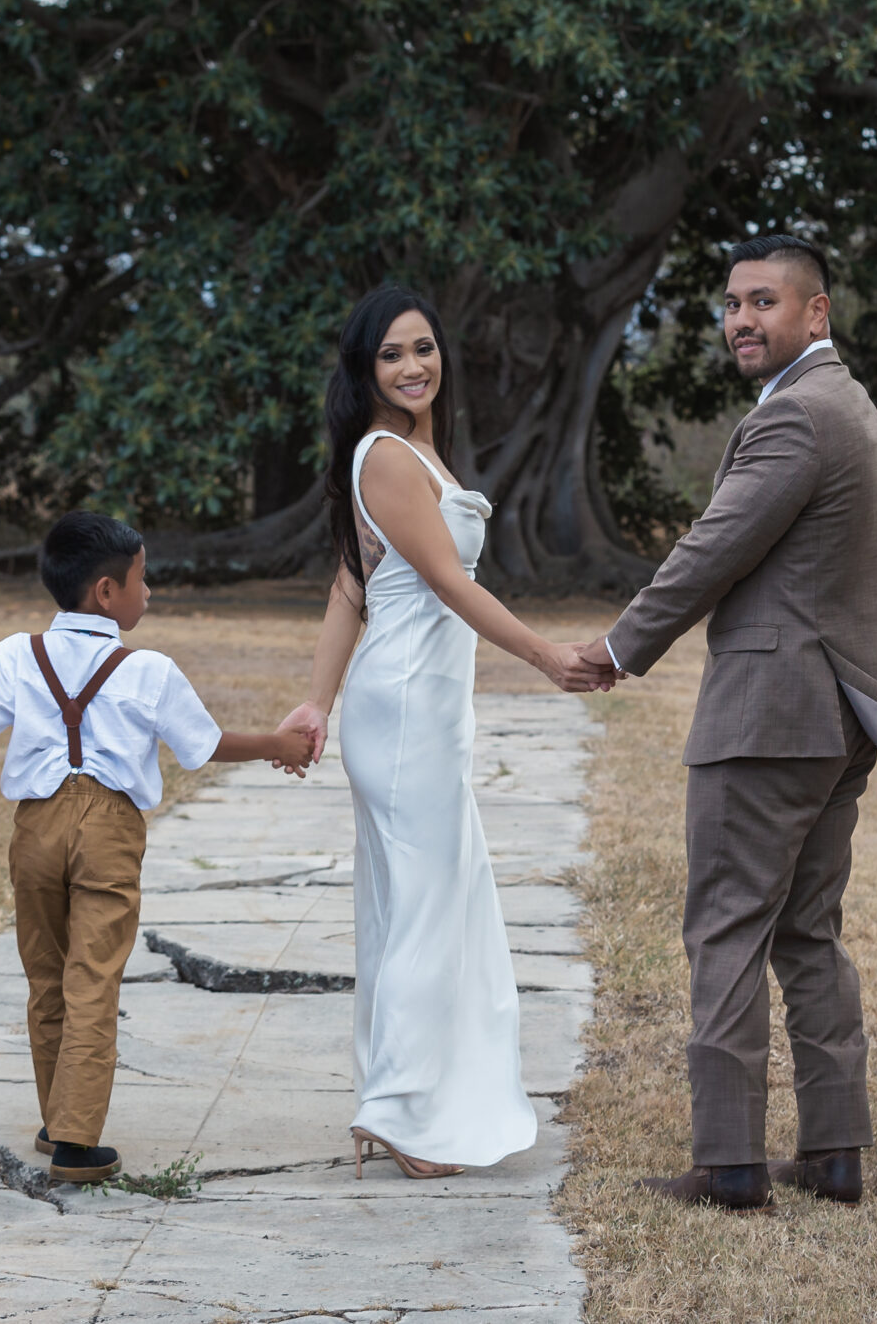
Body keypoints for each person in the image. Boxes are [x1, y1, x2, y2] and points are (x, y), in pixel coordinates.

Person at [583, 234, 877, 1214]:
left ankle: (731, 1163)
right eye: (732, 303)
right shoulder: (856, 412)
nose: (741, 319)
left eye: (763, 301)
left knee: (728, 926)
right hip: (841, 721)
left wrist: (617, 649)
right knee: (808, 933)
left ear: (815, 311)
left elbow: (712, 549)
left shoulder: (795, 417)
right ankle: (832, 1152)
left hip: (769, 717)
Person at [0, 512, 313, 1183]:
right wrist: (278, 744)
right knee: (93, 976)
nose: (148, 591)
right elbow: (205, 745)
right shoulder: (150, 669)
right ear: (106, 591)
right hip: (109, 830)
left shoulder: (18, 654)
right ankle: (76, 1138)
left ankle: (58, 1116)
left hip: (36, 829)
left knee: (46, 973)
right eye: (141, 578)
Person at [277, 283, 608, 1179]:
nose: (413, 365)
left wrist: (316, 701)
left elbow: (350, 584)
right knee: (424, 907)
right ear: (365, 369)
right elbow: (449, 586)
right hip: (405, 709)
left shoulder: (417, 453)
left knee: (418, 904)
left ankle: (399, 1100)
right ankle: (403, 1113)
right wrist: (546, 655)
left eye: (423, 347)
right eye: (391, 354)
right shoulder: (386, 456)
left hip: (421, 707)